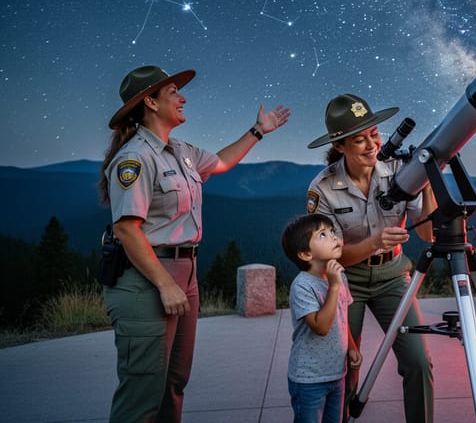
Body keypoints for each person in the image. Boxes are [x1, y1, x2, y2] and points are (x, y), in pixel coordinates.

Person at [99, 65, 290, 422]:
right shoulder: (134, 157)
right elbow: (127, 229)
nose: (182, 97)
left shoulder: (181, 150)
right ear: (151, 102)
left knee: (174, 382)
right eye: (173, 92)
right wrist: (164, 283)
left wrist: (258, 131)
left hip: (183, 274)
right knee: (143, 392)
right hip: (147, 278)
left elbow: (220, 162)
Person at [306, 93, 436, 422]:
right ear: (339, 146)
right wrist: (373, 242)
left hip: (393, 275)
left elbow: (429, 235)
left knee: (418, 363)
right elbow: (327, 259)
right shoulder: (322, 189)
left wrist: (429, 177)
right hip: (345, 279)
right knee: (344, 365)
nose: (371, 145)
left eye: (374, 135)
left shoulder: (400, 171)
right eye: (359, 140)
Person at [282, 214, 363, 423]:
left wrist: (352, 347)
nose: (335, 237)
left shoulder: (339, 276)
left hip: (337, 373)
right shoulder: (302, 286)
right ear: (306, 254)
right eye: (323, 235)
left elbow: (342, 317)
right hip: (309, 378)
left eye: (333, 231)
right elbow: (321, 327)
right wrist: (334, 286)